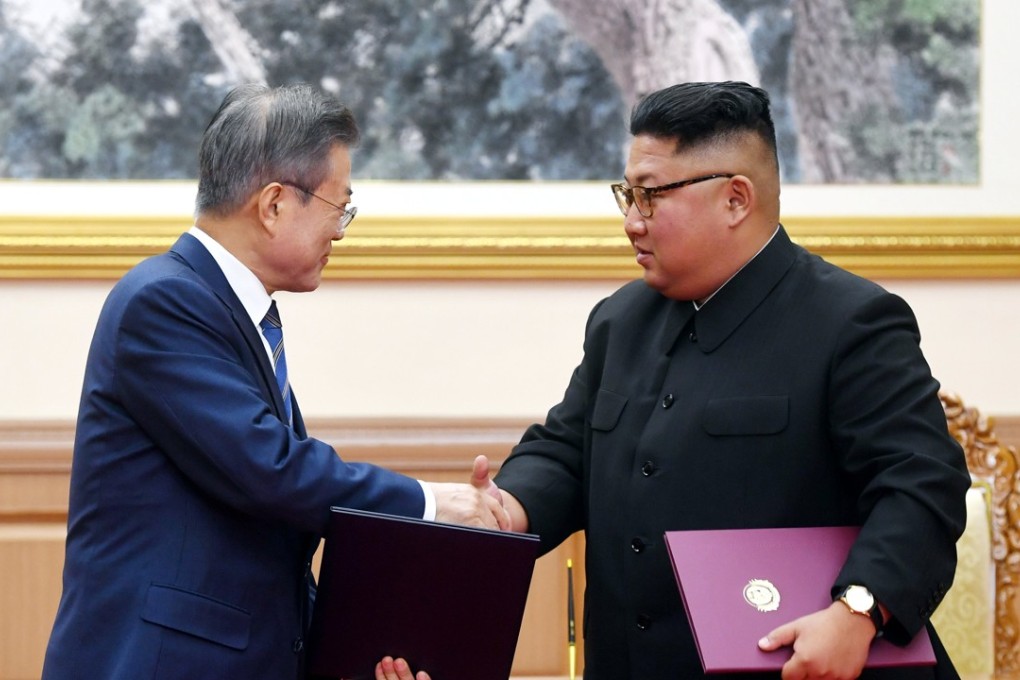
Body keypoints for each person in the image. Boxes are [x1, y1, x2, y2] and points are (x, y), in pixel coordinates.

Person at [492, 81, 970, 679]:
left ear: (736, 199)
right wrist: (506, 509)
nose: (631, 222)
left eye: (650, 197)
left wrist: (858, 611)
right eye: (627, 195)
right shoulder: (620, 320)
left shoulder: (851, 322)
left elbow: (923, 487)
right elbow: (568, 453)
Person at [42, 83, 506, 680]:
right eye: (340, 207)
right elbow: (272, 472)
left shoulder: (232, 309)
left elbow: (267, 541)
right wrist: (435, 503)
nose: (341, 231)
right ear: (274, 204)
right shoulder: (164, 302)